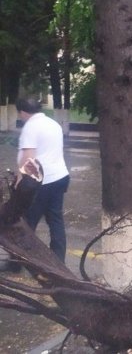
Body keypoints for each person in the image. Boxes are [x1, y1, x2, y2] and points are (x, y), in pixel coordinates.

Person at [0, 97, 70, 271]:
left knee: (25, 223)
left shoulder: (30, 127)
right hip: (60, 177)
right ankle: (58, 263)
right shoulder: (52, 123)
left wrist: (18, 183)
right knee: (55, 220)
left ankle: (16, 265)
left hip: (40, 183)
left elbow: (28, 161)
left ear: (22, 112)